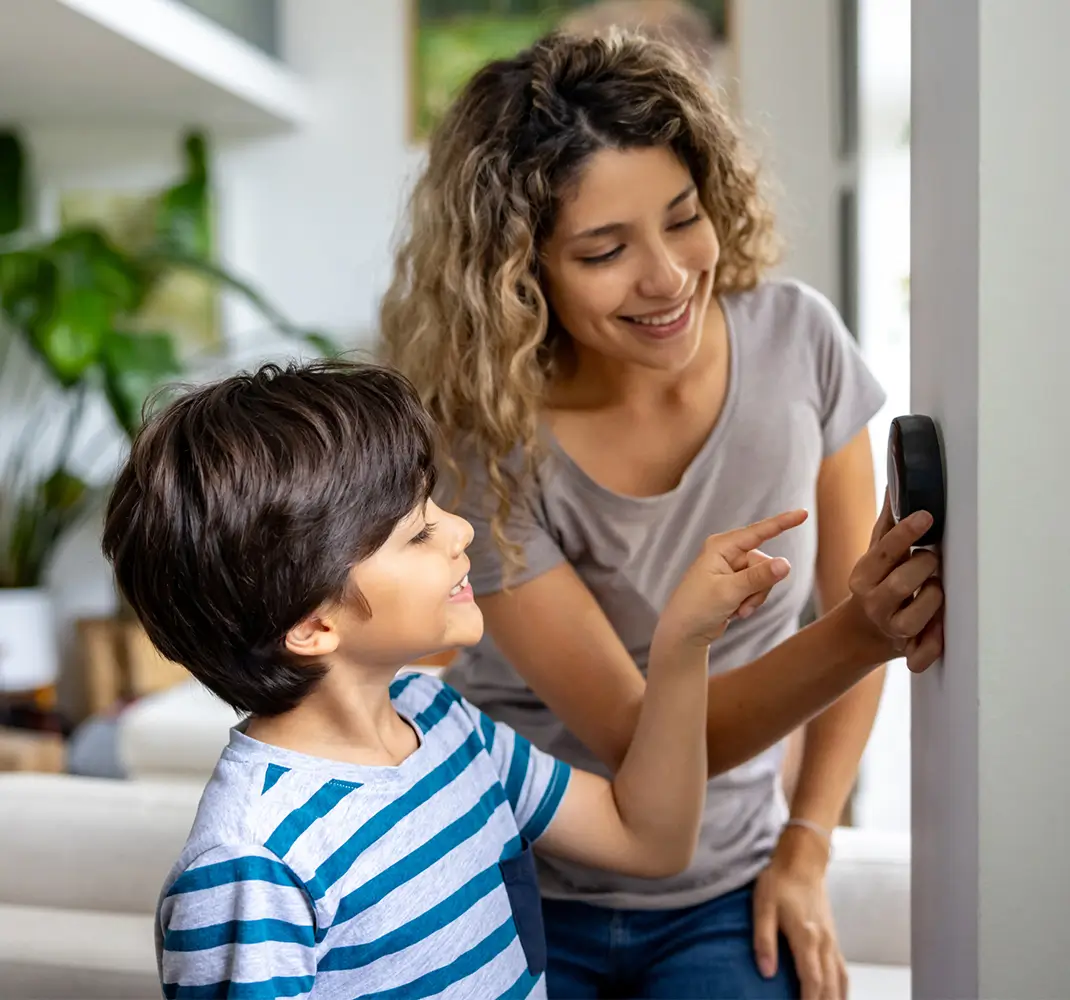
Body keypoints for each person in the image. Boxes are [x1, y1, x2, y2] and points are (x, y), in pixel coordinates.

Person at [381, 30, 943, 1000]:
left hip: (724, 885)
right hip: (505, 873)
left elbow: (857, 602)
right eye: (603, 250)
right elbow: (646, 744)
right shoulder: (483, 432)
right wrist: (860, 630)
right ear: (521, 273)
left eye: (682, 218)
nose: (667, 276)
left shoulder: (796, 340)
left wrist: (806, 843)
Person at [101, 359, 811, 1000]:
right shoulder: (250, 862)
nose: (461, 530)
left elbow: (649, 840)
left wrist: (682, 644)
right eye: (417, 533)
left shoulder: (441, 719)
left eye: (432, 505)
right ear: (313, 625)